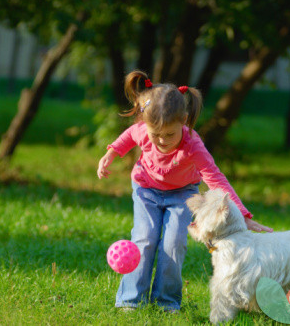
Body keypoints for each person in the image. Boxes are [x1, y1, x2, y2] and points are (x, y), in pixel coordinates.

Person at [97, 70, 272, 312]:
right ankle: (130, 300)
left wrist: (242, 215)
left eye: (169, 134)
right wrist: (111, 153)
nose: (161, 141)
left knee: (173, 243)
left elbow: (215, 178)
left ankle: (167, 302)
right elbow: (128, 136)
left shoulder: (192, 144)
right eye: (155, 134)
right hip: (146, 190)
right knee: (144, 239)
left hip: (182, 194)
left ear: (185, 121)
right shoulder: (143, 129)